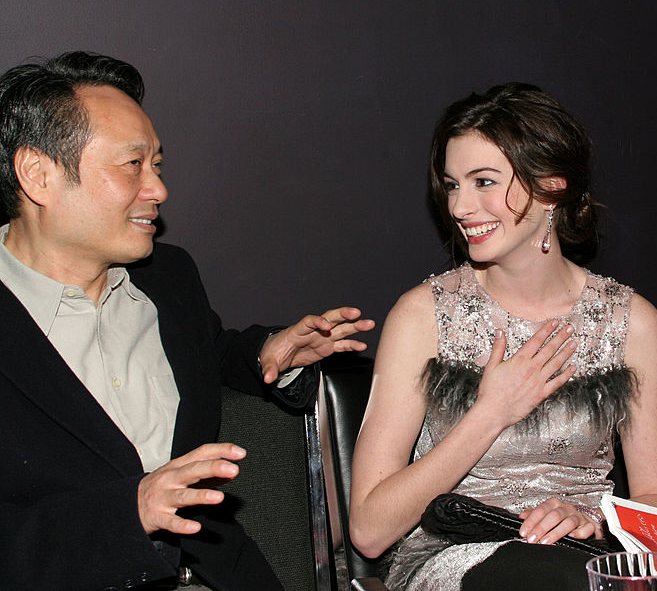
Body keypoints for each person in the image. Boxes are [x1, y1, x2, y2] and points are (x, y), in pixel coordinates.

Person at [0, 51, 375, 590]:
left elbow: (206, 352)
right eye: (132, 165)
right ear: (39, 174)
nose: (158, 190)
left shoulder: (167, 277)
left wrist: (265, 354)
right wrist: (128, 513)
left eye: (157, 165)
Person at [349, 83, 657, 589]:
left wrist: (598, 524)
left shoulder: (631, 321)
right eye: (453, 184)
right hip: (455, 558)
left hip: (584, 557)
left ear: (551, 187)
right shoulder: (424, 316)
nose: (460, 206)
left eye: (483, 181)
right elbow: (369, 530)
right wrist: (490, 412)